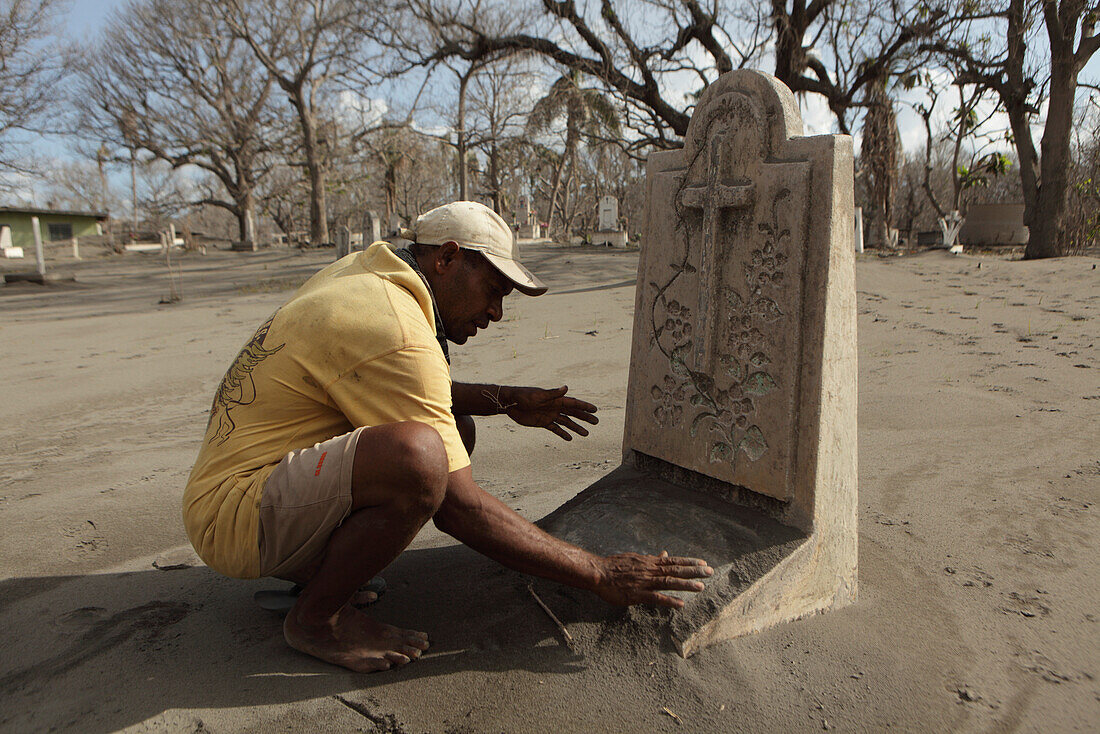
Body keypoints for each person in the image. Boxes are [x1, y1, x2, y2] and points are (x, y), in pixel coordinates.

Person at [183, 201, 713, 673]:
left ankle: (317, 567)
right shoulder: (393, 324)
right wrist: (598, 572)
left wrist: (507, 400)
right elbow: (459, 507)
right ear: (447, 258)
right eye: (493, 290)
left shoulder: (374, 274)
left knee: (448, 429)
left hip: (244, 485)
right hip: (236, 518)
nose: (496, 312)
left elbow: (403, 386)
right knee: (421, 459)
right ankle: (317, 619)